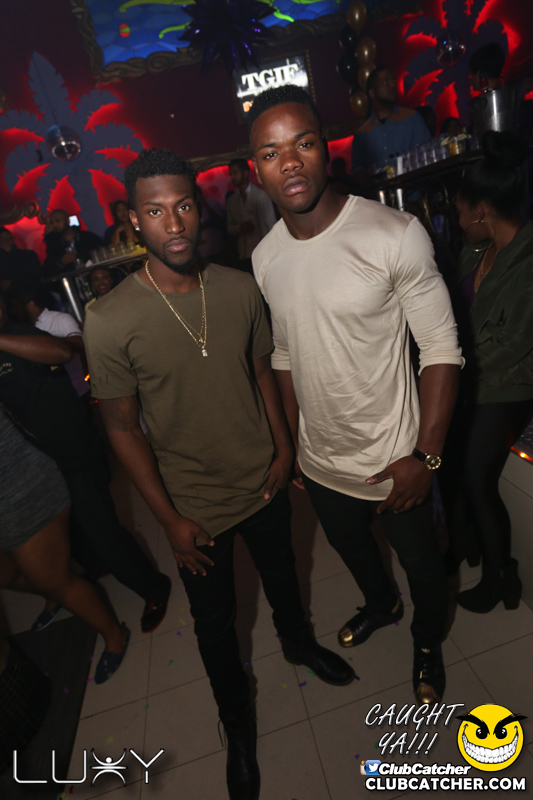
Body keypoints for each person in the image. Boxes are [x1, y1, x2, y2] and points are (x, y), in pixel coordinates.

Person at [84, 148, 354, 800]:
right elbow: (121, 430)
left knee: (285, 577)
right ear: (133, 220)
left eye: (182, 205)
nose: (173, 223)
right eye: (155, 211)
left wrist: (284, 450)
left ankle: (297, 644)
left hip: (263, 480)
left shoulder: (237, 288)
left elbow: (262, 373)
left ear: (198, 208)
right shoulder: (110, 319)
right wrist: (169, 521)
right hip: (194, 507)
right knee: (215, 626)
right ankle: (237, 726)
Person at [249, 85, 464, 705]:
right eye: (271, 153)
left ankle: (427, 640)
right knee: (353, 551)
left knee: (423, 566)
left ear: (326, 149)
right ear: (256, 169)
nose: (290, 163)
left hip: (397, 457)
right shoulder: (264, 257)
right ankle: (382, 604)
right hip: (322, 461)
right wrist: (292, 443)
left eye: (303, 144)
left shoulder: (394, 234)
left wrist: (426, 457)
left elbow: (442, 348)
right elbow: (284, 353)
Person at [0, 295, 171, 634]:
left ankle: (153, 587)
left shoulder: (19, 333)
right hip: (42, 464)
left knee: (101, 529)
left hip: (74, 450)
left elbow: (62, 352)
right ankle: (99, 567)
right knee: (76, 533)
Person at [444, 131, 533, 612]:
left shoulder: (528, 260)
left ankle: (502, 577)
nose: (458, 223)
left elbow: (512, 343)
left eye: (461, 213)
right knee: (450, 465)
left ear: (481, 211)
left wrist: (452, 367)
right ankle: (466, 546)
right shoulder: (476, 252)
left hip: (510, 384)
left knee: (477, 478)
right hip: (473, 381)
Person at [0, 406, 129, 684]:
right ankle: (54, 596)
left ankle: (115, 635)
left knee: (53, 579)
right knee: (6, 574)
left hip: (21, 491)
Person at [351, 67, 431, 175]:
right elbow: (358, 169)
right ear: (372, 93)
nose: (393, 85)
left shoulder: (412, 118)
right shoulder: (362, 134)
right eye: (386, 82)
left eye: (393, 80)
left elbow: (428, 154)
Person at [226, 157, 276, 273]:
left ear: (245, 173)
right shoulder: (232, 201)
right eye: (231, 174)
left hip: (264, 251)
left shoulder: (261, 195)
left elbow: (272, 224)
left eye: (235, 172)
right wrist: (240, 227)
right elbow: (229, 229)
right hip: (243, 253)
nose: (232, 177)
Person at [43, 210, 102, 277]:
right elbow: (48, 270)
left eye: (57, 221)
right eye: (52, 223)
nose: (55, 225)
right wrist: (62, 261)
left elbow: (102, 254)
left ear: (67, 221)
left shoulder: (87, 237)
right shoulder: (54, 245)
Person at [0, 227, 42, 292]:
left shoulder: (28, 256)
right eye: (5, 240)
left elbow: (35, 278)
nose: (10, 242)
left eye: (11, 239)